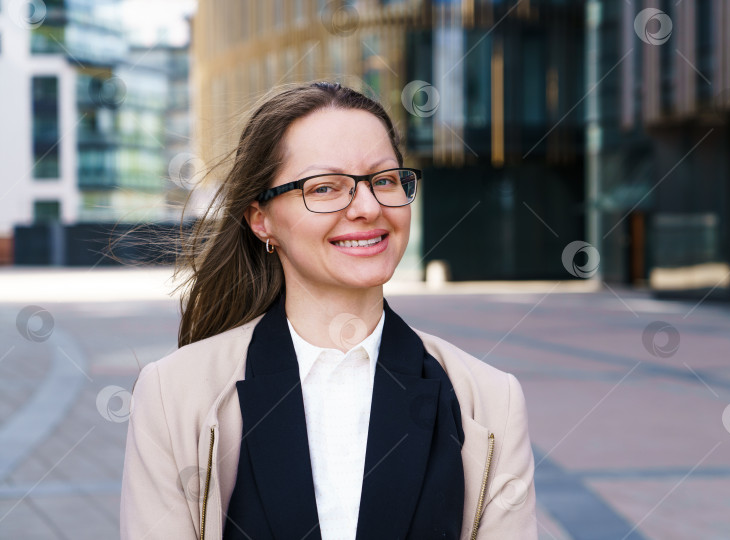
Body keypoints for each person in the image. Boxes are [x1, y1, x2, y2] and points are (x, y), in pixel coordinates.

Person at [120, 81, 537, 540]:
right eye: (325, 188)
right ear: (261, 219)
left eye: (384, 180)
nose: (367, 206)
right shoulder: (173, 395)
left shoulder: (490, 400)